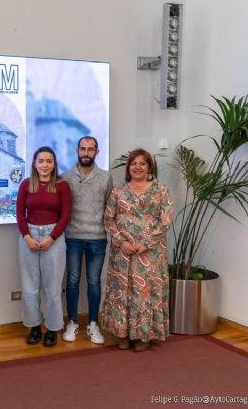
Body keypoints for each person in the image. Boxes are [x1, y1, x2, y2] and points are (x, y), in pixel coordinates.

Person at [102, 148, 173, 352]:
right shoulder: (118, 191)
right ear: (128, 167)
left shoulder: (162, 191)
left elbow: (165, 221)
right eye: (134, 163)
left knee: (144, 292)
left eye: (142, 163)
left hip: (150, 254)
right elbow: (109, 219)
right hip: (122, 252)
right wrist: (121, 242)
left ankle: (144, 336)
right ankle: (122, 334)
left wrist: (146, 243)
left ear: (149, 167)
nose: (137, 167)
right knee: (121, 292)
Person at [16, 146, 72, 347]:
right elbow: (19, 214)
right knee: (30, 288)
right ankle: (34, 326)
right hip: (28, 237)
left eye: (49, 161)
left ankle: (53, 328)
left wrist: (52, 237)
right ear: (34, 163)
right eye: (41, 161)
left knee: (52, 288)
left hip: (54, 239)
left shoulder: (62, 186)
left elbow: (66, 215)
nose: (45, 165)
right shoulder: (25, 185)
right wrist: (27, 237)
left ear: (54, 164)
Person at [61, 136, 113, 344]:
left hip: (97, 238)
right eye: (83, 149)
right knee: (72, 281)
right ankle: (72, 322)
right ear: (77, 151)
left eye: (90, 149)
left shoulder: (105, 177)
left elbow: (109, 207)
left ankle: (93, 323)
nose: (86, 153)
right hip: (72, 236)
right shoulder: (65, 177)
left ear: (97, 152)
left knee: (94, 282)